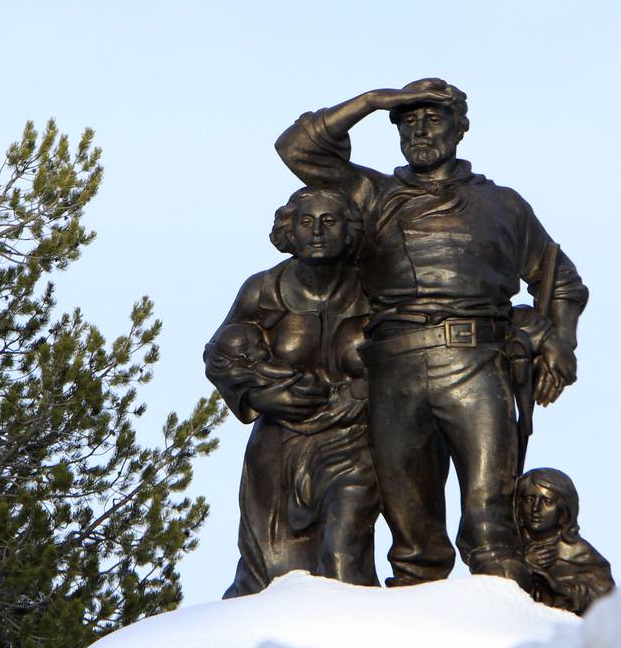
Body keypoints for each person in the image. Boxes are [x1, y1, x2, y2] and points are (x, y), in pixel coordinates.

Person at [275, 79, 588, 589]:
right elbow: (297, 147)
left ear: (461, 128)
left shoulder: (504, 206)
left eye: (433, 119)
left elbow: (562, 283)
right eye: (408, 121)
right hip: (394, 371)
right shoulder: (372, 196)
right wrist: (378, 100)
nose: (420, 130)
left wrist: (559, 341)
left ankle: (508, 635)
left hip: (477, 367)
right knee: (412, 534)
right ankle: (415, 644)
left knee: (490, 521)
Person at [204, 186, 381, 597]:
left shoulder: (375, 290)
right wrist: (258, 396)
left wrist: (366, 391)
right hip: (278, 447)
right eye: (306, 222)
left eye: (329, 221)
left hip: (351, 443)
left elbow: (406, 356)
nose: (317, 231)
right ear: (290, 231)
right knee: (269, 578)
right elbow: (219, 356)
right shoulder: (262, 290)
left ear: (349, 230)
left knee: (343, 556)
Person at [513, 468, 614, 615]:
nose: (536, 508)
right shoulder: (510, 543)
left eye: (547, 501)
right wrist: (523, 564)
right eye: (529, 499)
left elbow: (608, 601)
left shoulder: (579, 553)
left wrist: (560, 589)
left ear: (563, 510)